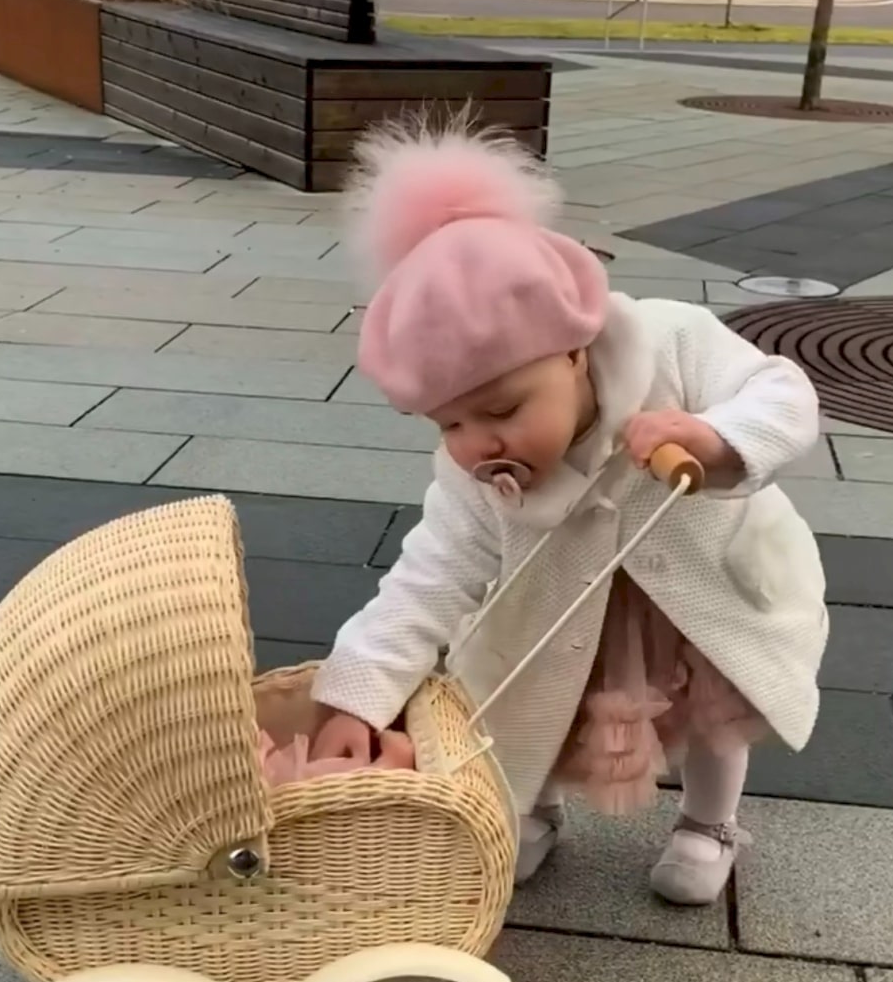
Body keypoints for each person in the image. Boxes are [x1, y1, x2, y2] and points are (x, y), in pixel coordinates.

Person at [310, 117, 828, 906]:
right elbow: (428, 577)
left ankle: (708, 820)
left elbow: (784, 392)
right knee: (531, 700)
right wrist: (357, 692)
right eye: (449, 424)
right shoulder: (475, 482)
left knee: (714, 712)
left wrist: (718, 439)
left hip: (695, 595)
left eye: (503, 408)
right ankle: (533, 806)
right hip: (559, 611)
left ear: (575, 349)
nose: (479, 443)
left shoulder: (671, 343)